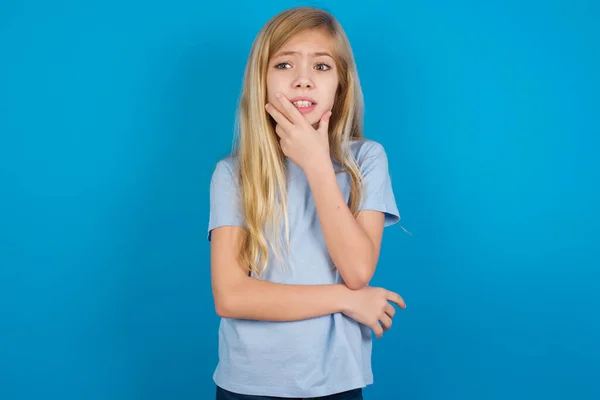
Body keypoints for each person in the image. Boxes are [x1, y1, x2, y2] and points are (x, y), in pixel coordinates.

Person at [208, 6, 407, 400]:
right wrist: (347, 302)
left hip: (336, 382)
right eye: (284, 64)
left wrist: (317, 164)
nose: (302, 81)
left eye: (321, 67)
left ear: (341, 83)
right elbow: (231, 296)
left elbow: (357, 271)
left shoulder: (366, 160)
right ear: (261, 80)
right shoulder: (233, 173)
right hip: (248, 385)